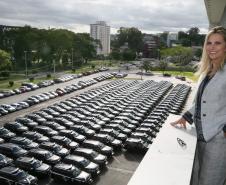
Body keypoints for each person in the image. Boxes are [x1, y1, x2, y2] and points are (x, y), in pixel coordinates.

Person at [171, 26, 226, 185]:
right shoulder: (207, 71)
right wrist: (185, 117)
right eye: (209, 43)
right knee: (195, 180)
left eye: (218, 43)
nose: (212, 47)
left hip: (217, 141)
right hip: (199, 136)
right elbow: (201, 102)